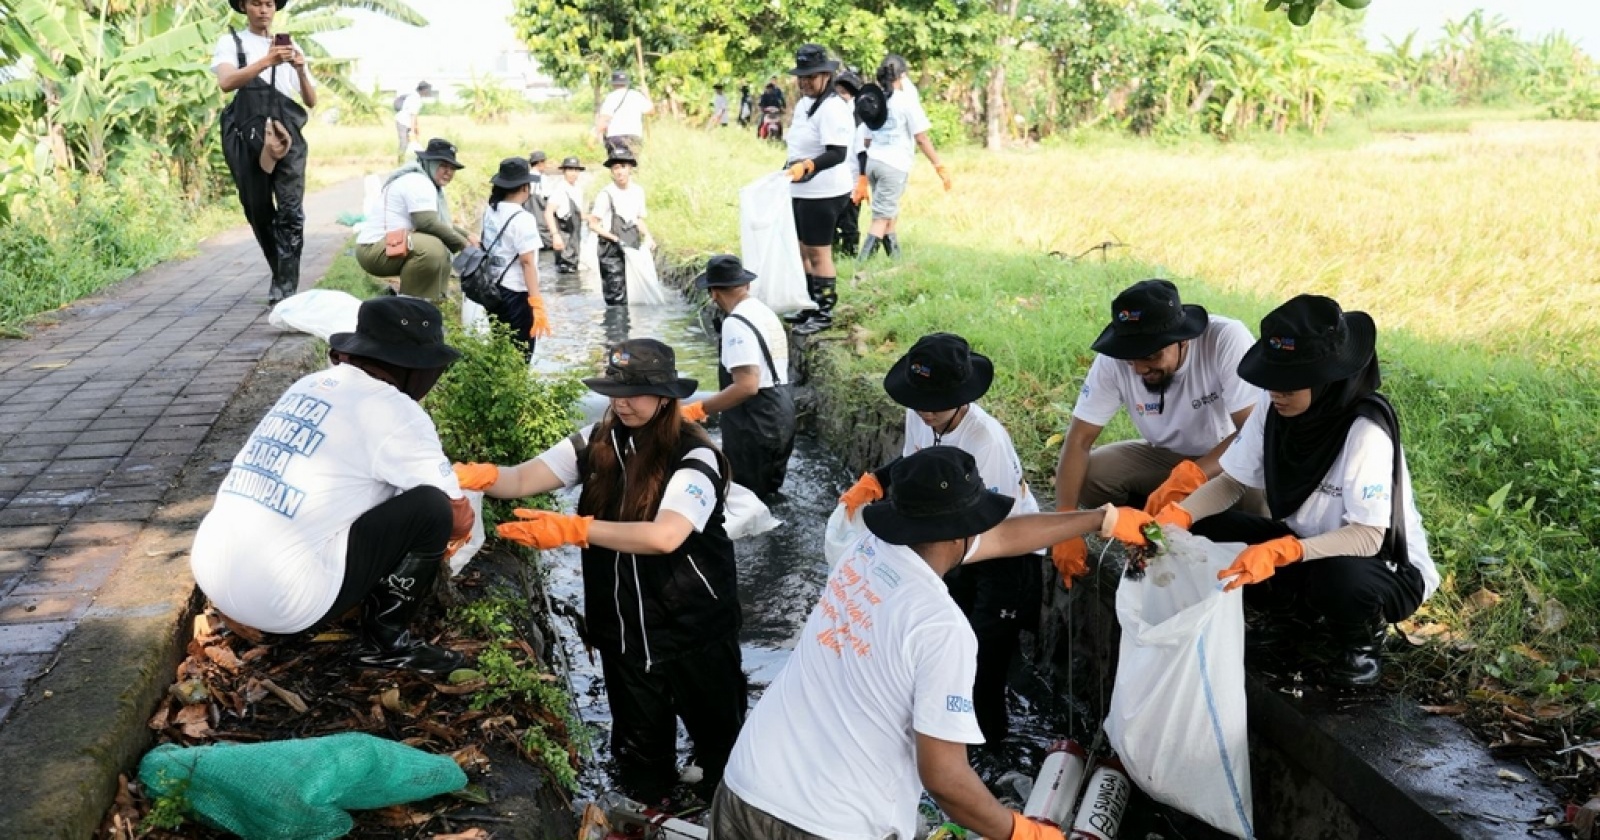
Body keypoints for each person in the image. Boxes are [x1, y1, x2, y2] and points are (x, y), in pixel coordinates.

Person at [712, 446, 1154, 840]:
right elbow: (944, 778)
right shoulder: (941, 627)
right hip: (829, 823)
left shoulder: (865, 549)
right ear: (961, 528)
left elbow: (1002, 538)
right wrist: (1021, 831)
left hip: (745, 786)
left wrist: (1102, 519)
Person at [454, 338, 744, 806]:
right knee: (640, 761)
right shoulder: (598, 441)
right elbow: (524, 479)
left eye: (633, 392)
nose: (620, 402)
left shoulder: (695, 457)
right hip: (622, 633)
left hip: (693, 629)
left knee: (723, 752)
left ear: (667, 396)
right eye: (614, 391)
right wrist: (480, 476)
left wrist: (574, 528)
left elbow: (665, 536)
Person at [1151, 295, 1439, 686]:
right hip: (1304, 545)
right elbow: (1233, 481)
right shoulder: (1273, 410)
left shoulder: (1364, 432)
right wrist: (1180, 516)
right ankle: (1291, 621)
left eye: (1289, 384)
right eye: (1272, 382)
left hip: (1377, 562)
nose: (1276, 393)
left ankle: (1360, 644)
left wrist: (1286, 551)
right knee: (1207, 531)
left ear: (1325, 379)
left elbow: (1370, 536)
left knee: (1338, 579)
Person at [190, 296, 471, 675]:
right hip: (285, 602)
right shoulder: (397, 411)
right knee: (431, 507)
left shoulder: (310, 384)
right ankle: (387, 642)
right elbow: (456, 519)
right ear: (413, 368)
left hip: (213, 570)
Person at [837, 333, 1041, 745]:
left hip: (1005, 549)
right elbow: (916, 462)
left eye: (934, 404)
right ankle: (947, 734)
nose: (924, 412)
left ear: (961, 395)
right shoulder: (921, 414)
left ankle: (990, 746)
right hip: (955, 542)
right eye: (917, 401)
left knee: (983, 658)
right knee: (951, 650)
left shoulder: (986, 442)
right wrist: (876, 480)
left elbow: (994, 520)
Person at [1051, 279, 1258, 589]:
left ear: (1183, 341)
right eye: (1130, 358)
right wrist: (1064, 524)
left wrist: (1192, 475)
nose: (1138, 369)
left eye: (1150, 357)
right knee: (1095, 473)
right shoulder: (1115, 360)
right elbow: (1079, 440)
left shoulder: (1225, 339)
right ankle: (1149, 520)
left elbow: (1253, 432)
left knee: (1256, 510)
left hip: (1229, 460)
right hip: (1164, 456)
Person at [213, 0, 317, 305]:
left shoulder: (291, 45)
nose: (263, 10)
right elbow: (226, 82)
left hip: (288, 136)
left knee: (291, 212)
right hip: (248, 136)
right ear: (244, 7)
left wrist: (299, 69)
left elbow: (311, 100)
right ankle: (280, 274)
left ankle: (286, 286)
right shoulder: (231, 42)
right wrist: (267, 61)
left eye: (269, 4)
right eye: (256, 3)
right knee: (257, 209)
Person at [680, 255, 796, 499]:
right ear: (746, 285)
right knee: (768, 496)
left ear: (713, 293)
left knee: (745, 499)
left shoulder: (736, 323)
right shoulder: (763, 312)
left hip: (755, 422)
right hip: (781, 411)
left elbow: (747, 385)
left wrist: (696, 410)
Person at [782, 43, 855, 336]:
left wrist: (807, 167)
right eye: (801, 77)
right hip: (799, 189)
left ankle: (824, 312)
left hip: (824, 191)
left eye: (811, 77)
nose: (805, 82)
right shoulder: (803, 105)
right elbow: (799, 145)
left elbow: (836, 153)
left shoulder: (833, 108)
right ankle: (809, 304)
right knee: (801, 250)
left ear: (826, 75)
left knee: (819, 252)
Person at [354, 138, 475, 300]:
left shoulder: (428, 183)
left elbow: (439, 222)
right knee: (432, 247)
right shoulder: (418, 182)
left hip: (394, 244)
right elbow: (426, 223)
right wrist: (464, 245)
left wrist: (468, 236)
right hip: (374, 249)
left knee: (439, 244)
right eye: (443, 166)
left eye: (452, 168)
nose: (449, 172)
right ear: (429, 163)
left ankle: (433, 302)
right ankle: (410, 303)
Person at [859, 53, 949, 262]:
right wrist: (938, 165)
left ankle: (897, 261)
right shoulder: (906, 101)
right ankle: (861, 268)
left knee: (889, 214)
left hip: (873, 162)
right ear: (903, 76)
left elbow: (865, 139)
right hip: (894, 165)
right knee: (881, 219)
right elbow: (922, 138)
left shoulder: (874, 99)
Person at [479, 158, 552, 360]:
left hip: (493, 290)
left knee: (501, 347)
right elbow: (527, 263)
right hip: (516, 294)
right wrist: (537, 304)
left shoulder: (490, 211)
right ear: (524, 187)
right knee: (521, 353)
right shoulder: (523, 219)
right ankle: (516, 390)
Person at [588, 146, 654, 306]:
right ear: (611, 171)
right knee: (616, 297)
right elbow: (593, 224)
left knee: (634, 295)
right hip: (610, 251)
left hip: (632, 245)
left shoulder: (638, 191)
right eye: (615, 167)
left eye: (623, 166)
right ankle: (615, 328)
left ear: (630, 168)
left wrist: (648, 236)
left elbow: (638, 219)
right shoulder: (606, 194)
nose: (620, 171)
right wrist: (615, 239)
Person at [832, 71, 867, 259]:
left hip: (852, 179)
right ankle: (833, 253)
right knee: (829, 222)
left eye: (845, 92)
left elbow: (863, 153)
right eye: (838, 91)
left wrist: (862, 179)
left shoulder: (860, 120)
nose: (841, 96)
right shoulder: (830, 115)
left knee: (850, 224)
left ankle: (849, 256)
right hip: (831, 179)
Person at [596, 70, 654, 154]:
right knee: (632, 164)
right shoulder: (636, 95)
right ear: (626, 83)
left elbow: (604, 119)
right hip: (634, 137)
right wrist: (646, 94)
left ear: (613, 84)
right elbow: (651, 111)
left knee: (616, 164)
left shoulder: (610, 97)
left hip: (615, 138)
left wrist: (597, 134)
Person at [545, 156, 586, 275]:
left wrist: (590, 218)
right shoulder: (560, 189)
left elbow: (578, 214)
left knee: (574, 270)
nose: (573, 173)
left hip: (575, 237)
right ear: (564, 171)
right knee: (564, 273)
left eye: (575, 170)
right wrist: (555, 235)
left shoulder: (578, 189)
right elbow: (548, 212)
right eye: (570, 170)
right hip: (563, 236)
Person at [521, 149, 556, 252]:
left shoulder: (525, 178)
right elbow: (548, 195)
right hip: (540, 213)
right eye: (544, 162)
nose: (545, 165)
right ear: (540, 163)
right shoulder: (543, 178)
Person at [395, 80, 431, 160]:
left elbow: (415, 115)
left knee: (408, 143)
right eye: (427, 90)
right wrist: (412, 130)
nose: (428, 92)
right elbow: (412, 115)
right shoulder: (415, 98)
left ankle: (405, 159)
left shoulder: (416, 97)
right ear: (423, 90)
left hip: (405, 122)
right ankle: (400, 161)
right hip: (402, 122)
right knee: (404, 143)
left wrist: (416, 128)